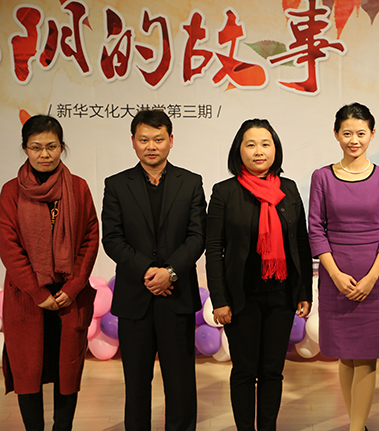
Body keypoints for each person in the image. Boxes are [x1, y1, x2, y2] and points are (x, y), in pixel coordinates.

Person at [102, 109, 207, 431]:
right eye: (144, 139)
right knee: (136, 383)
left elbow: (198, 236)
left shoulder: (190, 182)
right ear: (133, 142)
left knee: (181, 382)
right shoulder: (117, 185)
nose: (151, 146)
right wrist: (149, 271)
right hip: (135, 298)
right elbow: (112, 239)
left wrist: (169, 272)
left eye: (158, 139)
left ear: (171, 141)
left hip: (176, 296)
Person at [206, 118, 312, 431]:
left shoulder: (288, 189)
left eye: (265, 144)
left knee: (272, 371)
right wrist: (220, 299)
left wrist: (304, 291)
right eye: (250, 144)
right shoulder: (225, 192)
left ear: (275, 149)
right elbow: (214, 249)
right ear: (239, 151)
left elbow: (301, 242)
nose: (259, 151)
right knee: (244, 371)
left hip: (281, 295)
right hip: (241, 298)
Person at [0, 115, 99, 431]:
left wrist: (73, 286)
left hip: (69, 298)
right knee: (27, 372)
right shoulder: (11, 191)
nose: (44, 154)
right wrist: (37, 292)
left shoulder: (78, 187)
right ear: (25, 149)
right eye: (36, 147)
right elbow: (9, 247)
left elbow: (90, 237)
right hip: (27, 298)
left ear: (62, 146)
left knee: (66, 372)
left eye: (52, 146)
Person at [308, 102, 379, 431]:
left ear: (372, 134)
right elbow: (316, 230)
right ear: (336, 134)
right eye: (347, 133)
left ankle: (356, 428)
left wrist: (372, 278)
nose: (354, 140)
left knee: (367, 356)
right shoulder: (322, 177)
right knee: (345, 355)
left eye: (361, 133)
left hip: (374, 280)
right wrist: (334, 274)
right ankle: (356, 424)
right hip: (335, 278)